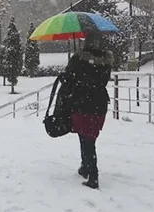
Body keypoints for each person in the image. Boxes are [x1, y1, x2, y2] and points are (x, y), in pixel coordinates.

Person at [59, 30, 113, 189]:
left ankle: (93, 174)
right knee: (90, 136)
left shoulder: (78, 59)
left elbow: (68, 79)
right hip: (100, 103)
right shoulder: (106, 60)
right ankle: (85, 166)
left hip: (82, 103)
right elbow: (103, 81)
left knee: (85, 138)